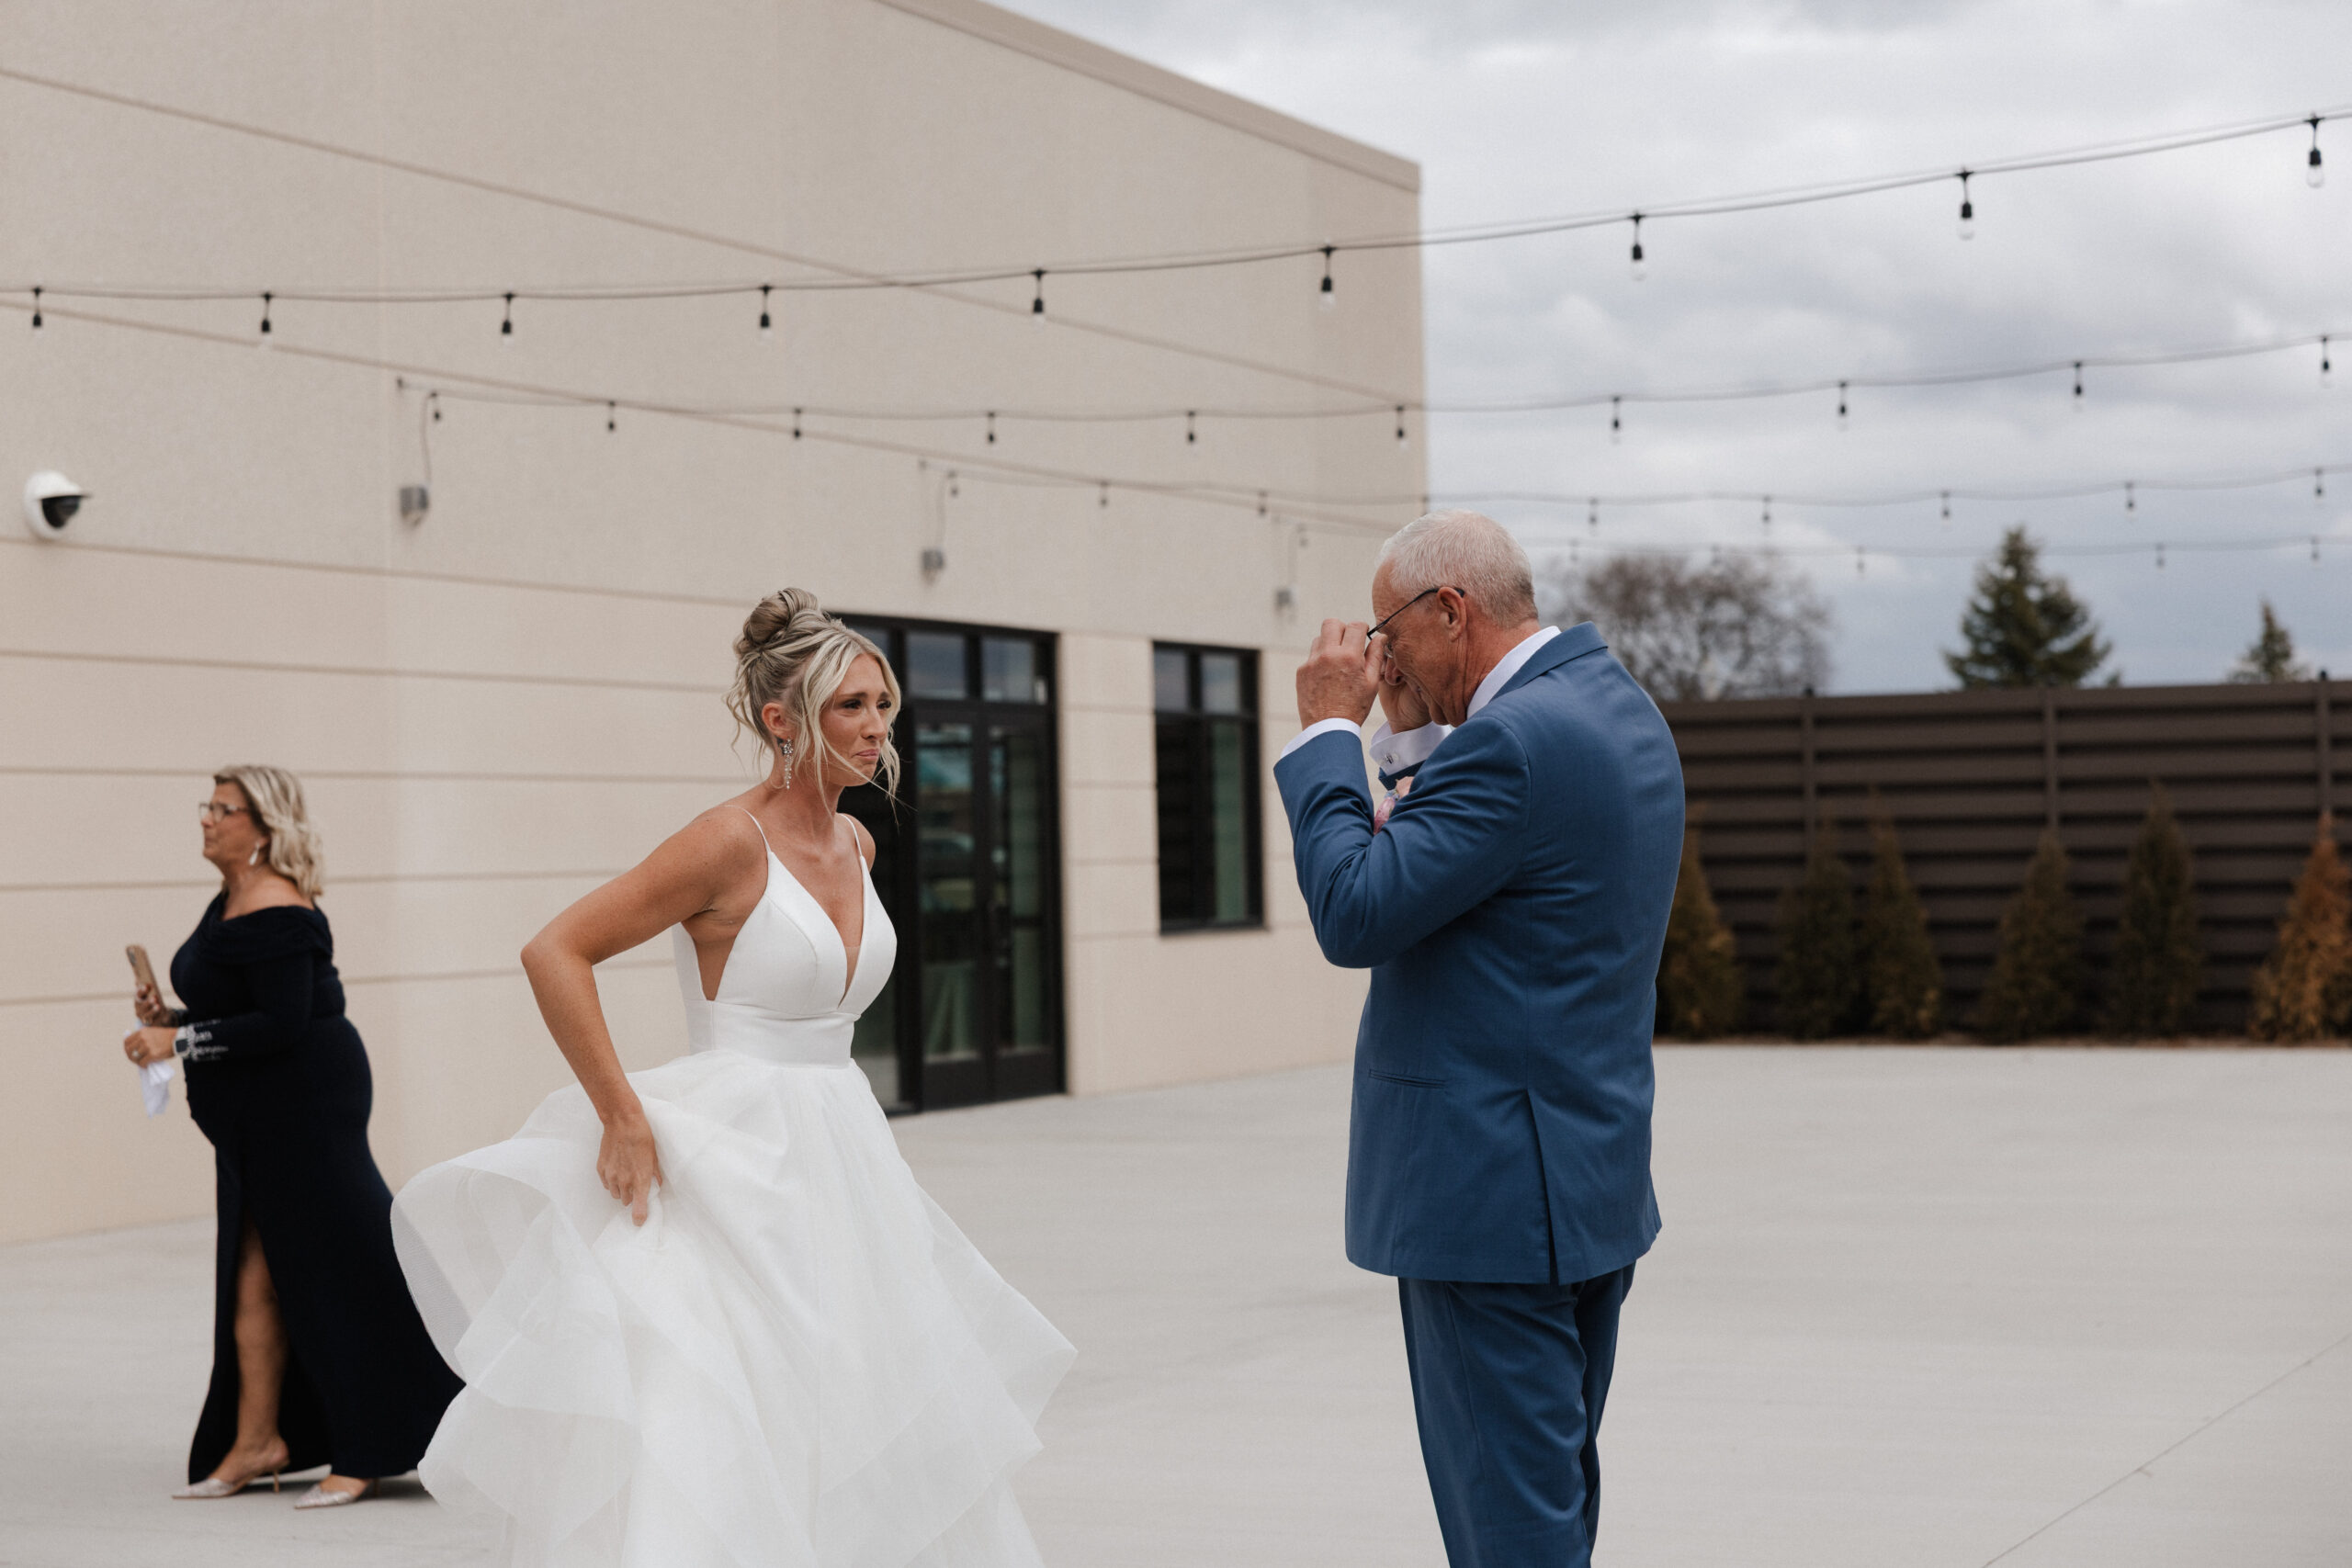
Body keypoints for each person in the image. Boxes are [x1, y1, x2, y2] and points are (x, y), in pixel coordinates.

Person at [390, 589, 1072, 1567]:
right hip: (728, 1155)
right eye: (851, 707)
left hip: (841, 1157)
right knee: (719, 1409)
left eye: (883, 705)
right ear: (781, 719)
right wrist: (619, 1114)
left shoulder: (858, 841)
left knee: (854, 1401)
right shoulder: (724, 842)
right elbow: (556, 951)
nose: (877, 727)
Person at [1272, 510, 1683, 1568]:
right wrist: (1405, 736)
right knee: (1549, 1503)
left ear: (1449, 609)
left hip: (1487, 1204)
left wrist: (1327, 731)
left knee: (1511, 1533)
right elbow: (1467, 866)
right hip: (1581, 1188)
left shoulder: (1508, 743)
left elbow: (1358, 911)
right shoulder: (1615, 710)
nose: (1376, 659)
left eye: (1387, 633)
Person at [121, 765, 462, 1507]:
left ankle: (371, 1445)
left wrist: (177, 1044)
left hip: (306, 1108)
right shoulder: (231, 897)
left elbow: (283, 1021)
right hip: (257, 1114)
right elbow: (241, 1013)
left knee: (335, 1269)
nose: (206, 818)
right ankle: (256, 1441)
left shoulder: (278, 904)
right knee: (252, 1274)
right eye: (206, 805)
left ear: (264, 826)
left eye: (223, 808)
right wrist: (172, 1021)